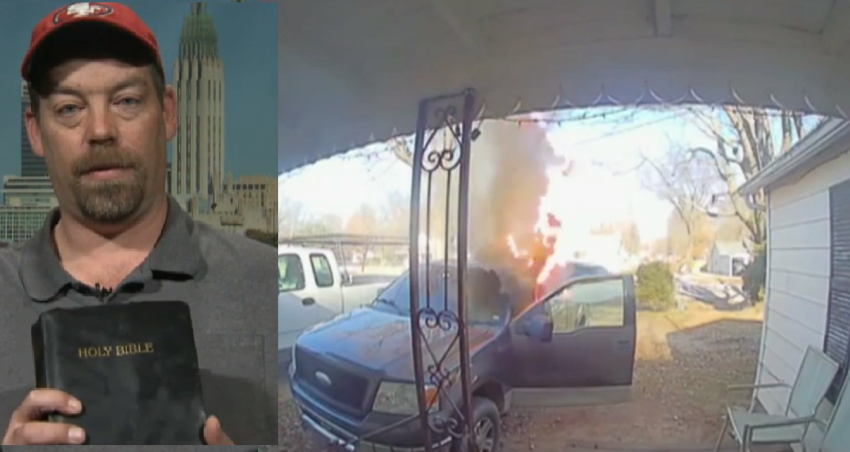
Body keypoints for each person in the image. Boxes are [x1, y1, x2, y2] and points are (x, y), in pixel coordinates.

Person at [0, 2, 276, 448]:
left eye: (126, 101)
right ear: (35, 131)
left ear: (168, 113)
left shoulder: (264, 281)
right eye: (70, 108)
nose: (101, 129)